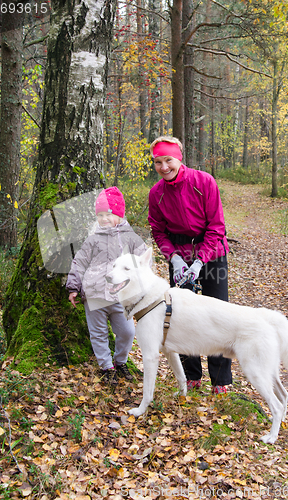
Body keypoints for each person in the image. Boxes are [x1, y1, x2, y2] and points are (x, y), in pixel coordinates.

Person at [148, 136, 232, 394]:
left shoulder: (204, 182)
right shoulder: (156, 193)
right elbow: (157, 230)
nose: (164, 167)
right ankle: (191, 376)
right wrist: (173, 258)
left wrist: (199, 262)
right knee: (182, 317)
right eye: (158, 162)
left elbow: (217, 226)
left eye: (168, 160)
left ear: (179, 158)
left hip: (212, 251)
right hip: (179, 256)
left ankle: (221, 380)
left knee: (217, 314)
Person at [66, 186, 147, 386]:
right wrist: (73, 287)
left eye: (108, 214)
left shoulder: (130, 238)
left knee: (128, 332)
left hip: (120, 296)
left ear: (119, 215)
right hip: (94, 295)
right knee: (99, 333)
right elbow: (79, 262)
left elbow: (144, 260)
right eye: (100, 215)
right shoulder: (93, 239)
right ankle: (106, 367)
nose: (104, 219)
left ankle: (121, 362)